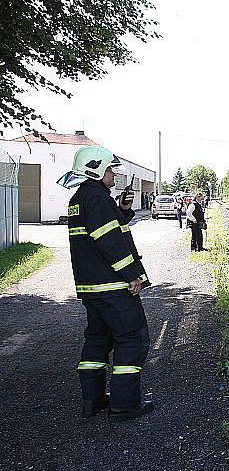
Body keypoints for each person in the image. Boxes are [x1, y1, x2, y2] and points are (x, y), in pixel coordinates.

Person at [57, 146, 154, 420]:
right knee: (131, 339)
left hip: (92, 289)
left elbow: (102, 231)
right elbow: (109, 241)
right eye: (110, 169)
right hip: (112, 287)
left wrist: (123, 211)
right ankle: (124, 405)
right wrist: (131, 275)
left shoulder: (80, 198)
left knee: (97, 340)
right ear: (96, 169)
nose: (113, 174)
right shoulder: (97, 199)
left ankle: (94, 400)